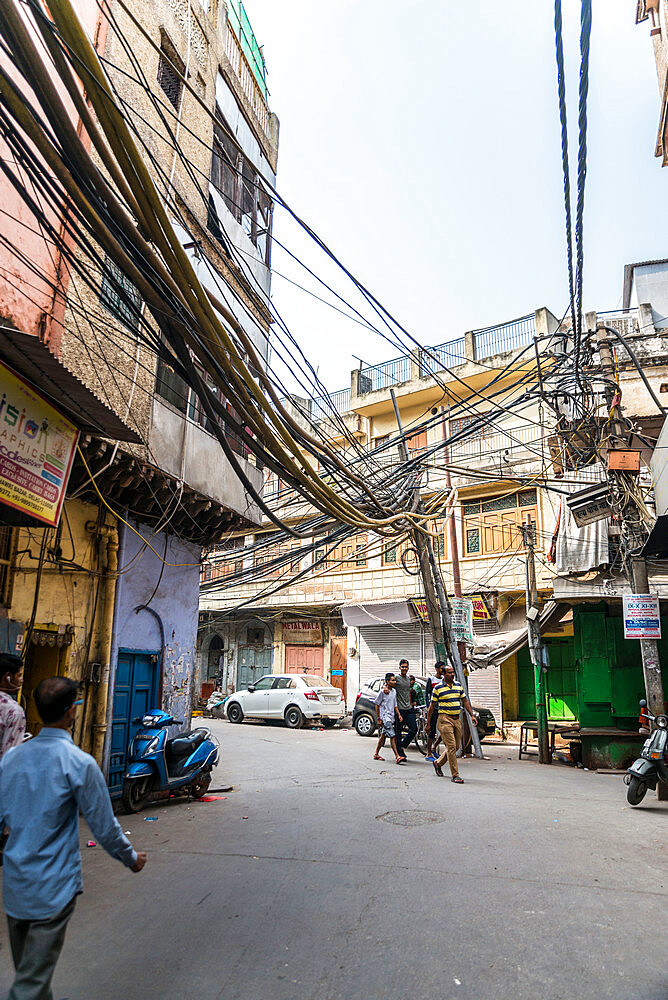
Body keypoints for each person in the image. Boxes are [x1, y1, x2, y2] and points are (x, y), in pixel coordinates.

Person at [0, 676, 147, 999]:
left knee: (31, 972)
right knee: (30, 983)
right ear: (71, 712)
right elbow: (104, 826)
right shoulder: (79, 763)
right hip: (53, 888)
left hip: (15, 886)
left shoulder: (11, 760)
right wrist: (131, 858)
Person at [426, 664, 478, 783]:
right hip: (444, 719)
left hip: (456, 718)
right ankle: (455, 775)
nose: (452, 674)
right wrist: (428, 723)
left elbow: (465, 701)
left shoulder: (458, 686)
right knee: (451, 747)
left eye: (453, 672)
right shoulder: (438, 688)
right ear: (443, 674)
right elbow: (432, 707)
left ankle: (438, 763)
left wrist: (472, 715)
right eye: (449, 672)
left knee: (456, 746)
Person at [373, 672, 406, 764]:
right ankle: (397, 756)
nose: (395, 682)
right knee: (392, 736)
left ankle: (376, 754)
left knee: (383, 736)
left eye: (395, 680)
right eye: (392, 680)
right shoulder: (382, 692)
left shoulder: (394, 691)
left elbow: (395, 705)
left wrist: (399, 715)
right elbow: (377, 704)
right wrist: (379, 718)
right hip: (385, 717)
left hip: (391, 717)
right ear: (387, 681)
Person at [0, 654, 26, 760]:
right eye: (19, 675)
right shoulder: (13, 711)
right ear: (8, 677)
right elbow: (10, 759)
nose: (21, 680)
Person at [395, 659, 418, 755]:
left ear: (408, 668)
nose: (404, 668)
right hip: (399, 709)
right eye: (402, 667)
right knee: (398, 732)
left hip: (409, 708)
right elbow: (387, 686)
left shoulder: (408, 679)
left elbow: (408, 691)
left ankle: (403, 745)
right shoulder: (396, 678)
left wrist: (411, 702)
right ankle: (400, 754)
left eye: (406, 667)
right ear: (399, 668)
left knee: (414, 729)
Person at [424, 660, 446, 762]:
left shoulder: (444, 680)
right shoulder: (431, 679)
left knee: (445, 730)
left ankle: (434, 747)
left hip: (443, 709)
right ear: (437, 669)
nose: (443, 670)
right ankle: (428, 752)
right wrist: (429, 706)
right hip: (434, 709)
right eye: (442, 668)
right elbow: (427, 694)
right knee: (431, 732)